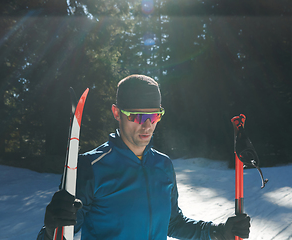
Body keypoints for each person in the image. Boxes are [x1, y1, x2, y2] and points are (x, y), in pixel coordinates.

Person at [37, 74, 251, 240]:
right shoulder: (90, 167)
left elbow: (172, 223)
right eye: (138, 116)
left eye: (154, 115)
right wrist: (49, 230)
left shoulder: (163, 165)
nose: (147, 125)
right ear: (116, 112)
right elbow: (62, 232)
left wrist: (218, 231)